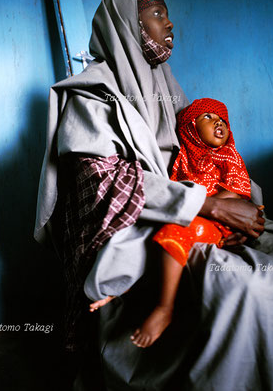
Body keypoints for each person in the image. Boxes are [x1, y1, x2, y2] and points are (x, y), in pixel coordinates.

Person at [34, 0, 273, 391]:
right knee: (246, 284)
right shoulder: (93, 96)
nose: (169, 24)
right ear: (126, 25)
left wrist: (234, 195)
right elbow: (104, 184)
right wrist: (207, 205)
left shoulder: (168, 88)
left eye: (166, 15)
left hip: (201, 207)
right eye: (156, 14)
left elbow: (202, 152)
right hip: (142, 226)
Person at [89, 97, 259, 349]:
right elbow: (175, 192)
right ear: (190, 129)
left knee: (176, 232)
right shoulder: (183, 160)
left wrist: (203, 205)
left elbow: (237, 195)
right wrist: (190, 204)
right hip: (196, 214)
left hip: (221, 221)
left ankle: (164, 308)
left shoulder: (228, 156)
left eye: (222, 119)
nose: (219, 123)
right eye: (208, 118)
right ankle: (116, 287)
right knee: (148, 236)